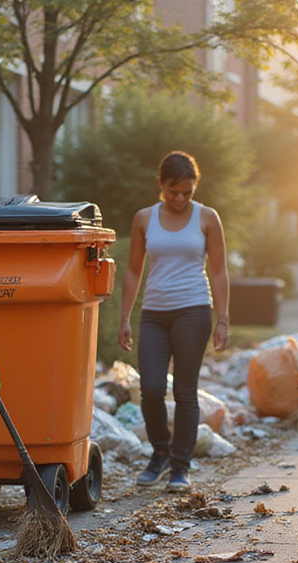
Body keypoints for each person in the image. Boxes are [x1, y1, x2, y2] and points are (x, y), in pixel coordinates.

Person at [117, 151, 230, 493]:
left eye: (187, 192)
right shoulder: (144, 218)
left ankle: (181, 465)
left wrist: (222, 319)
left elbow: (220, 270)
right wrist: (124, 317)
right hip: (154, 314)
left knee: (185, 390)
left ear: (195, 189)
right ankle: (160, 452)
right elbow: (134, 270)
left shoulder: (207, 217)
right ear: (160, 185)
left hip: (194, 310)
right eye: (173, 192)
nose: (180, 199)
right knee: (150, 388)